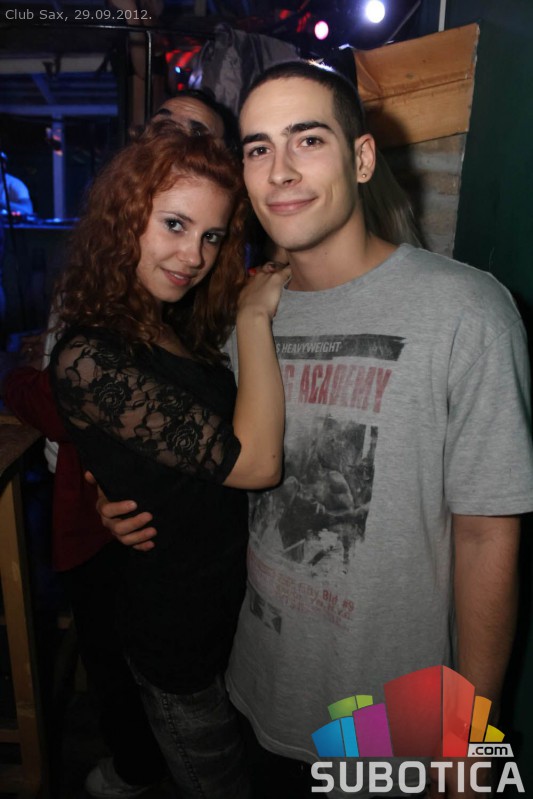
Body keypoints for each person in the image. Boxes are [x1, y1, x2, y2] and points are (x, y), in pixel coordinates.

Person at [100, 61, 533, 798]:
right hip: (257, 684)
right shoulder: (239, 319)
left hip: (396, 716)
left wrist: (468, 741)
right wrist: (124, 495)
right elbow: (217, 463)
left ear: (361, 158)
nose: (280, 170)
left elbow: (487, 537)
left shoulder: (466, 311)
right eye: (258, 148)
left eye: (307, 139)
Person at [3, 90, 237, 799]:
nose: (178, 144)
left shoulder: (201, 289)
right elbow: (75, 386)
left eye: (200, 137)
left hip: (180, 540)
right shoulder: (107, 279)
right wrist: (102, 474)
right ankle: (137, 765)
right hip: (112, 512)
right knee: (115, 660)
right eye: (167, 128)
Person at [48, 120, 290, 799]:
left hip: (232, 616)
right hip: (177, 636)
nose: (194, 255)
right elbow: (256, 464)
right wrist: (254, 317)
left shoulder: (167, 319)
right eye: (175, 225)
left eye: (212, 236)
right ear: (124, 220)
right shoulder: (89, 354)